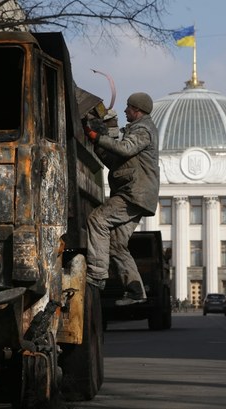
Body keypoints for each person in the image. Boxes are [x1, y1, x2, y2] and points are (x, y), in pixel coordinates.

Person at [84, 92, 160, 306]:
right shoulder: (136, 131)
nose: (125, 111)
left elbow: (125, 149)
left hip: (134, 194)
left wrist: (97, 137)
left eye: (128, 107)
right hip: (136, 195)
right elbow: (116, 161)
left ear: (138, 110)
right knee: (117, 244)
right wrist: (100, 142)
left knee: (97, 220)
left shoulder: (143, 130)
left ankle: (97, 275)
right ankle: (135, 289)